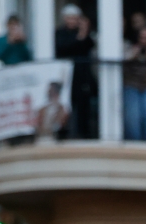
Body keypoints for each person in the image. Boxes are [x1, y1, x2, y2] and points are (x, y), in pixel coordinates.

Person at [54, 5, 96, 139]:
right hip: (65, 77)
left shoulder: (84, 34)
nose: (72, 21)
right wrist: (80, 36)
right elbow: (64, 48)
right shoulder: (59, 33)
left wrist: (84, 32)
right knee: (65, 106)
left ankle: (84, 134)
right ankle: (62, 135)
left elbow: (90, 46)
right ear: (64, 19)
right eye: (70, 18)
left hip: (82, 76)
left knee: (83, 107)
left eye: (75, 18)